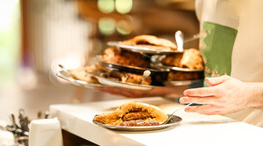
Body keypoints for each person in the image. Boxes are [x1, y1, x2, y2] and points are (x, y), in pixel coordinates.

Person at [99, 0, 263, 127]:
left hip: (253, 135)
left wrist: (248, 95)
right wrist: (161, 89)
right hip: (211, 127)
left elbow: (240, 92)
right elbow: (216, 76)